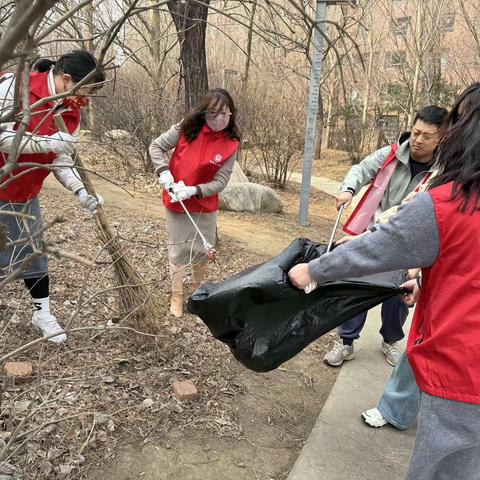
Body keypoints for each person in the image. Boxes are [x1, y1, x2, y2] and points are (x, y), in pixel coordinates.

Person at [289, 83, 480, 480]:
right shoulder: (397, 155)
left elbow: (381, 248)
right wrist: (427, 283)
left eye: (454, 123)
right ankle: (348, 343)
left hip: (463, 369)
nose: (435, 137)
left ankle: (391, 355)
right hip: (410, 253)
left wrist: (314, 270)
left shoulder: (450, 200)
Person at [324, 105, 448, 367]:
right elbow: (362, 169)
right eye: (416, 132)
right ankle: (346, 341)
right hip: (378, 229)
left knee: (398, 293)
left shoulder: (443, 172)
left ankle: (390, 340)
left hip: (411, 239)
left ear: (441, 138)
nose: (418, 140)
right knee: (358, 283)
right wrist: (348, 189)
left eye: (427, 136)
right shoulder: (392, 153)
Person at [0, 50, 105, 343]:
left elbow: (60, 158)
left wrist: (79, 191)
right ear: (68, 79)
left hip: (23, 194)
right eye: (88, 90)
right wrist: (46, 141)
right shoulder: (15, 87)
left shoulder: (71, 110)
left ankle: (42, 313)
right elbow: (3, 137)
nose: (88, 98)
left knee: (34, 255)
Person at [149, 88, 241, 317]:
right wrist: (164, 173)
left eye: (224, 113)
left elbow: (221, 181)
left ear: (231, 113)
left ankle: (197, 293)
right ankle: (176, 295)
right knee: (179, 251)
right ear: (203, 113)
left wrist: (194, 190)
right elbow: (156, 146)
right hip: (175, 199)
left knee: (202, 251)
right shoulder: (186, 128)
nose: (219, 118)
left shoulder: (231, 143)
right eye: (213, 113)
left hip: (204, 203)